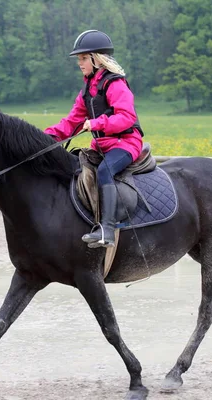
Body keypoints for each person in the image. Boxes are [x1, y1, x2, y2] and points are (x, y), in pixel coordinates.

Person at [44, 29, 144, 248]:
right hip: (101, 146)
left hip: (126, 144)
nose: (79, 63)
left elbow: (127, 117)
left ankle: (107, 230)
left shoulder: (115, 84)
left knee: (105, 171)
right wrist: (45, 136)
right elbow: (71, 122)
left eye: (82, 58)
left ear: (95, 59)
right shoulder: (87, 89)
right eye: (79, 59)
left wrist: (97, 123)